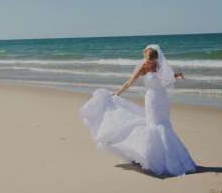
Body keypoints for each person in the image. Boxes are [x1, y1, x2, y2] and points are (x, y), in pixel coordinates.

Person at [79, 44, 196, 176]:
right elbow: (130, 82)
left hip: (162, 99)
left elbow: (166, 78)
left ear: (156, 58)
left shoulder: (160, 67)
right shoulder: (143, 68)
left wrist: (176, 76)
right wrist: (117, 93)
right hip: (151, 99)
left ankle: (168, 157)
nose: (149, 61)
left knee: (164, 125)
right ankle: (152, 158)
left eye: (151, 59)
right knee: (153, 125)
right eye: (147, 59)